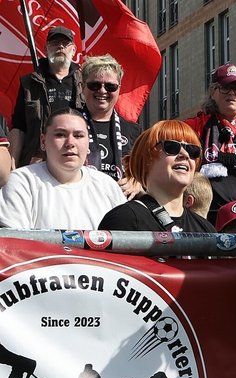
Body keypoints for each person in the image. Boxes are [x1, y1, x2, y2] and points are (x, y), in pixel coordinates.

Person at [0, 108, 125, 229]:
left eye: (78, 136)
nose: (70, 143)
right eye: (60, 135)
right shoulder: (21, 182)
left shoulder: (108, 186)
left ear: (88, 143)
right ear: (43, 142)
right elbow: (16, 244)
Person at [99, 120, 216, 232]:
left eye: (192, 150)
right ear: (145, 161)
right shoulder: (123, 220)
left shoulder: (206, 229)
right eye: (172, 147)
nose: (185, 155)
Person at [184, 63, 236, 224]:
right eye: (226, 88)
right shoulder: (195, 127)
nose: (232, 93)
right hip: (209, 219)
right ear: (213, 92)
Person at [10, 25, 83, 167]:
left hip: (74, 160)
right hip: (36, 162)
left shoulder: (85, 82)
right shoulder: (29, 83)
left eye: (65, 43)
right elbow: (19, 127)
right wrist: (13, 162)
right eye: (55, 43)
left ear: (73, 50)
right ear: (46, 49)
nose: (60, 47)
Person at [79, 54, 142, 198]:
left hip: (119, 207)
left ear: (119, 89)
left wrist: (137, 182)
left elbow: (147, 172)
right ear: (82, 87)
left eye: (110, 86)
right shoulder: (68, 124)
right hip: (80, 204)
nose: (102, 91)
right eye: (94, 85)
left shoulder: (133, 130)